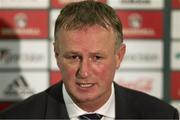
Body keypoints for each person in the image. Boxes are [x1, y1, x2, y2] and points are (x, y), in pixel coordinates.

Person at [0, 0, 179, 119]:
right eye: (74, 57)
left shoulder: (162, 116)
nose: (84, 72)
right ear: (56, 55)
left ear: (119, 56)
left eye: (97, 58)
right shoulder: (16, 117)